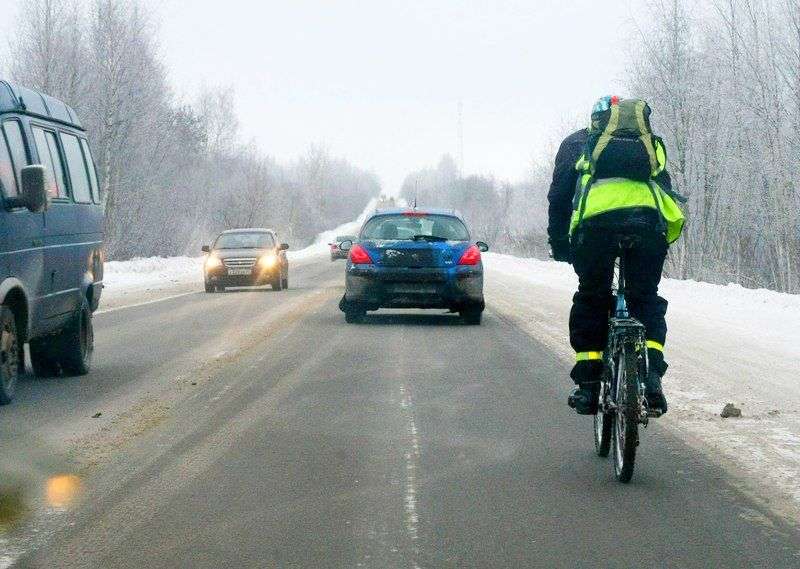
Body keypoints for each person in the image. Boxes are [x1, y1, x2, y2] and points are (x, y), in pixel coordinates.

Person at [547, 96, 685, 416]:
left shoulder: (578, 144)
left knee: (592, 296)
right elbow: (664, 189)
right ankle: (651, 378)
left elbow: (559, 197)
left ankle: (589, 387)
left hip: (597, 227)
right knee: (645, 298)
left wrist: (561, 243)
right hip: (648, 226)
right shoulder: (648, 145)